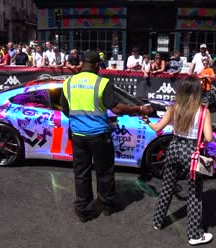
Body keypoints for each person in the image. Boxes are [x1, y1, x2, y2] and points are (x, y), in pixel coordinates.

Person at [60, 51, 153, 223]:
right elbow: (116, 108)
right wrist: (139, 109)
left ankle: (83, 210)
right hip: (99, 135)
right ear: (97, 65)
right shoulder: (102, 82)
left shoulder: (68, 82)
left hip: (79, 136)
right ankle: (108, 205)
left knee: (81, 173)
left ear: (81, 64)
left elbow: (65, 110)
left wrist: (80, 118)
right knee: (105, 172)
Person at [145, 77, 214, 246]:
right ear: (198, 92)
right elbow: (209, 137)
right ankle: (193, 235)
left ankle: (157, 221)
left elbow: (157, 128)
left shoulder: (174, 108)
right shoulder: (203, 111)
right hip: (192, 153)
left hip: (174, 148)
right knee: (195, 194)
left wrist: (147, 121)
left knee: (167, 187)